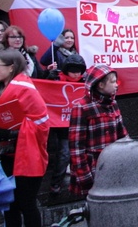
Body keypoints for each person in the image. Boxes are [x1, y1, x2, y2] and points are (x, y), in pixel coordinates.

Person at [0, 49, 48, 227]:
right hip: (6, 158)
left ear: (11, 68)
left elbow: (41, 123)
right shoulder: (0, 89)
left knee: (27, 204)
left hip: (27, 156)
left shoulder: (24, 89)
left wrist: (11, 133)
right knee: (10, 206)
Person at [68, 64, 127, 196]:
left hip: (113, 168)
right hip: (92, 169)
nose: (116, 85)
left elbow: (123, 136)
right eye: (112, 82)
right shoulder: (81, 107)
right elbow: (76, 148)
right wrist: (86, 179)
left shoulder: (113, 105)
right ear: (100, 85)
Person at [48, 54, 87, 195]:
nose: (76, 74)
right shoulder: (56, 80)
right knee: (64, 154)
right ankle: (55, 183)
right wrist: (49, 78)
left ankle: (80, 182)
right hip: (63, 126)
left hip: (80, 125)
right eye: (73, 70)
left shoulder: (86, 81)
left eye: (79, 70)